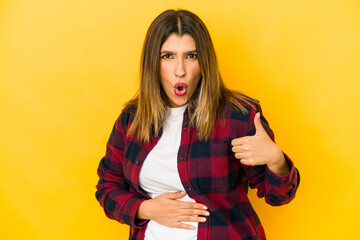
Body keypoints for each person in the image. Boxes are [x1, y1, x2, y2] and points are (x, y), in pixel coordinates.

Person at [95, 9, 300, 240]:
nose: (180, 70)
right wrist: (146, 209)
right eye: (168, 56)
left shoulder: (238, 116)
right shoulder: (131, 120)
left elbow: (278, 196)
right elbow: (107, 187)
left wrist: (276, 160)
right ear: (152, 62)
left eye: (191, 56)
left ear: (204, 62)